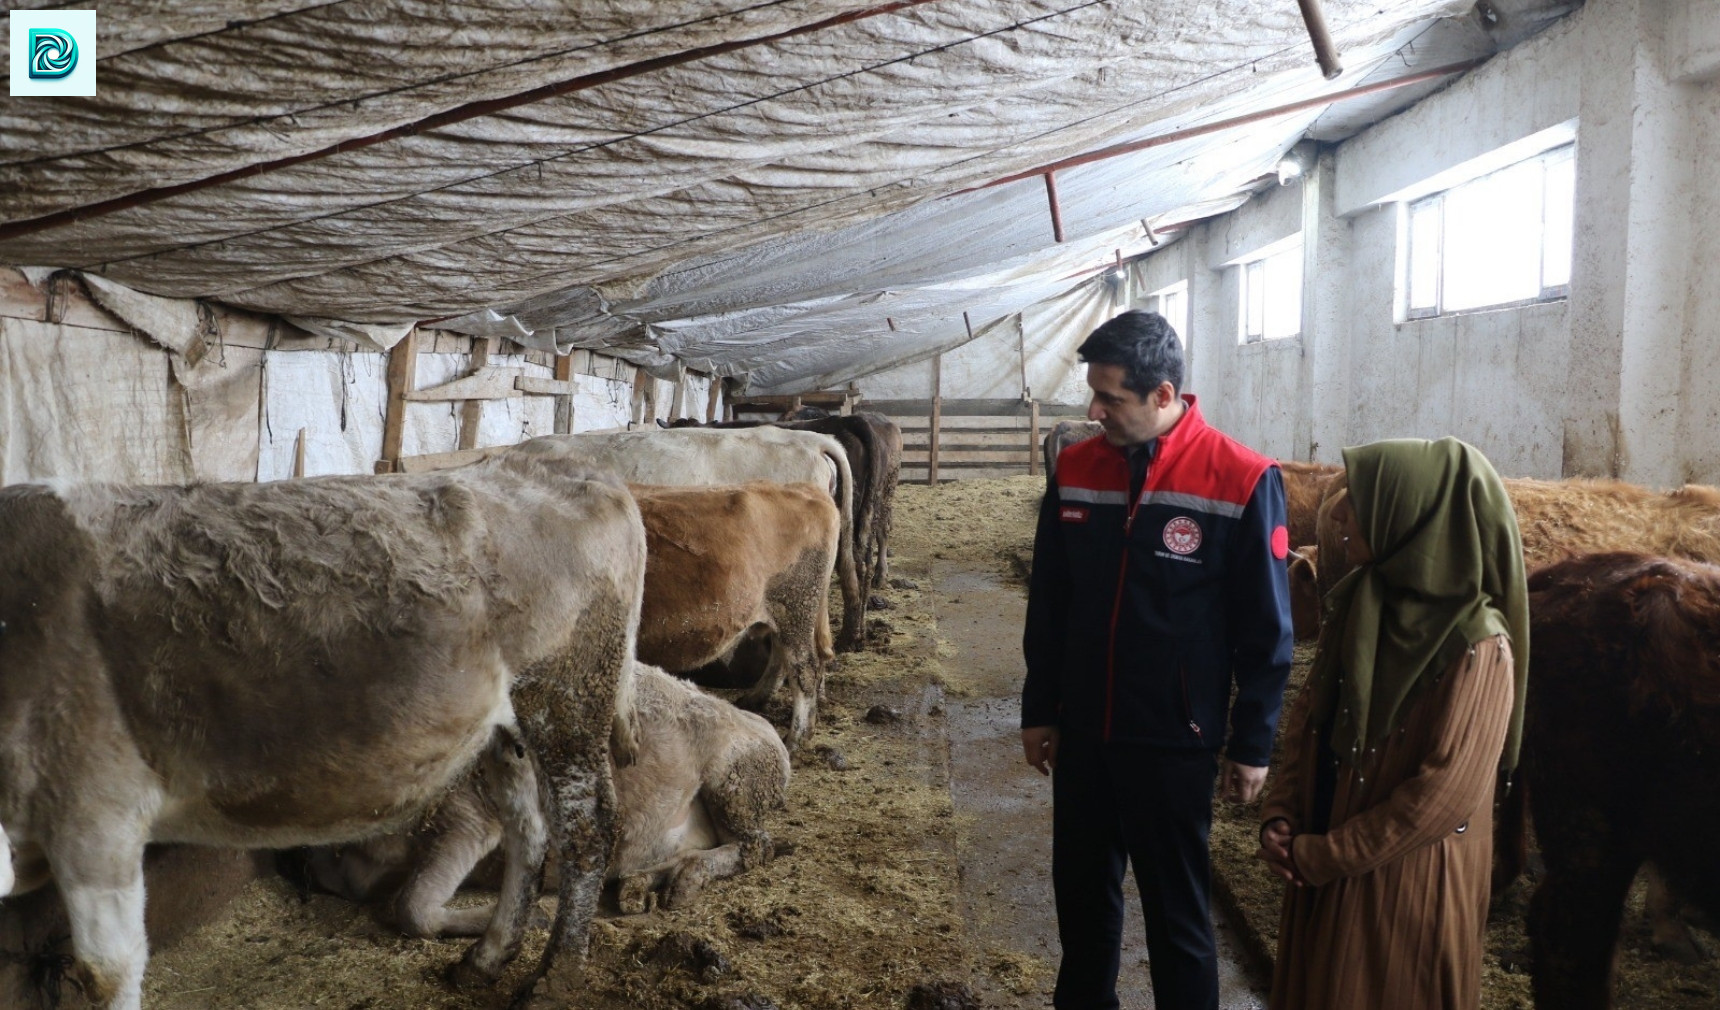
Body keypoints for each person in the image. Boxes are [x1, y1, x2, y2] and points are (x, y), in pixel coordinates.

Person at [1022, 309, 1294, 1010]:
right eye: (1094, 392)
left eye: (1110, 398)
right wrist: (1039, 709)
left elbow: (1266, 631)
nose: (1093, 410)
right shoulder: (1077, 468)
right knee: (1081, 906)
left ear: (1164, 396)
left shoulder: (1241, 478)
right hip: (1083, 733)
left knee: (1178, 916)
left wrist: (1252, 742)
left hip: (1174, 740)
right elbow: (1050, 600)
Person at [1257, 437, 1528, 1010]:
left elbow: (1445, 793)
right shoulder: (1358, 601)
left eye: (1359, 501)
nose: (1337, 514)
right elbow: (1310, 716)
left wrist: (1327, 855)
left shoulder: (1477, 644)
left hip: (1403, 883)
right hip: (1326, 854)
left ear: (1411, 515)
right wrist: (1281, 811)